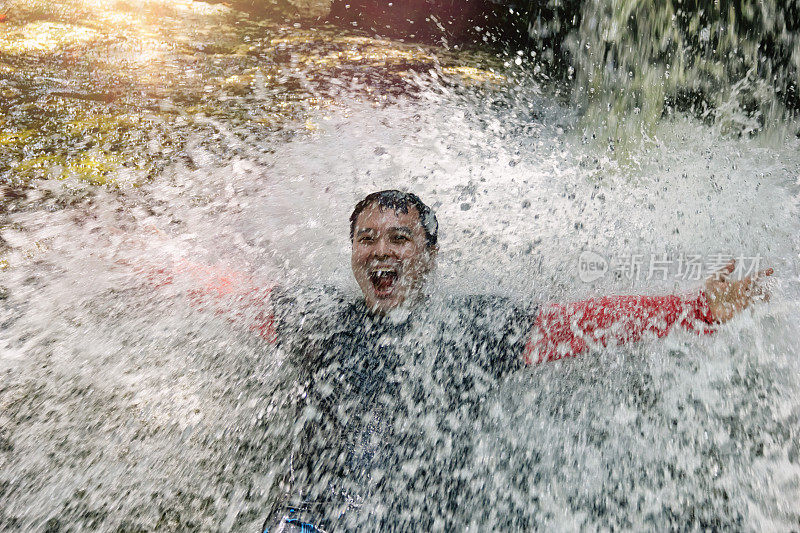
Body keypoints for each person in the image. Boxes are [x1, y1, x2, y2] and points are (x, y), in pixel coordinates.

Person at [133, 190, 772, 531]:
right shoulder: (320, 318)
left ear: (430, 254)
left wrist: (695, 311)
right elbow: (234, 296)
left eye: (399, 238)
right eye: (366, 239)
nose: (380, 251)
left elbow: (578, 325)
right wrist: (152, 264)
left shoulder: (473, 328)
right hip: (312, 521)